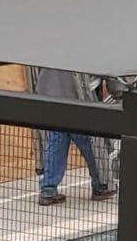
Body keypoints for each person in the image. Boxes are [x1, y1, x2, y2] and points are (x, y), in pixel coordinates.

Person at [30, 64, 114, 206]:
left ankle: (48, 189)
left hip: (50, 92)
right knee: (90, 143)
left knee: (57, 137)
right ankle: (101, 184)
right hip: (75, 95)